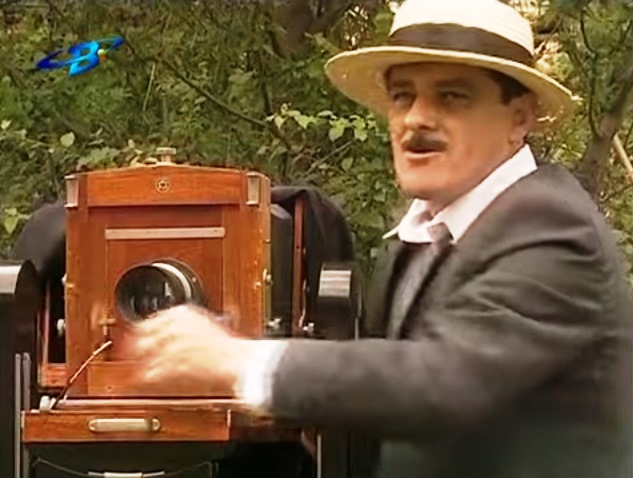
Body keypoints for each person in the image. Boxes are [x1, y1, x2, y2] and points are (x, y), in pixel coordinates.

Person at [130, 1, 633, 477]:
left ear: (519, 118)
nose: (416, 119)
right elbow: (393, 409)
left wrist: (235, 359)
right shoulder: (421, 236)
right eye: (402, 96)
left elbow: (443, 382)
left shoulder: (549, 226)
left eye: (452, 96)